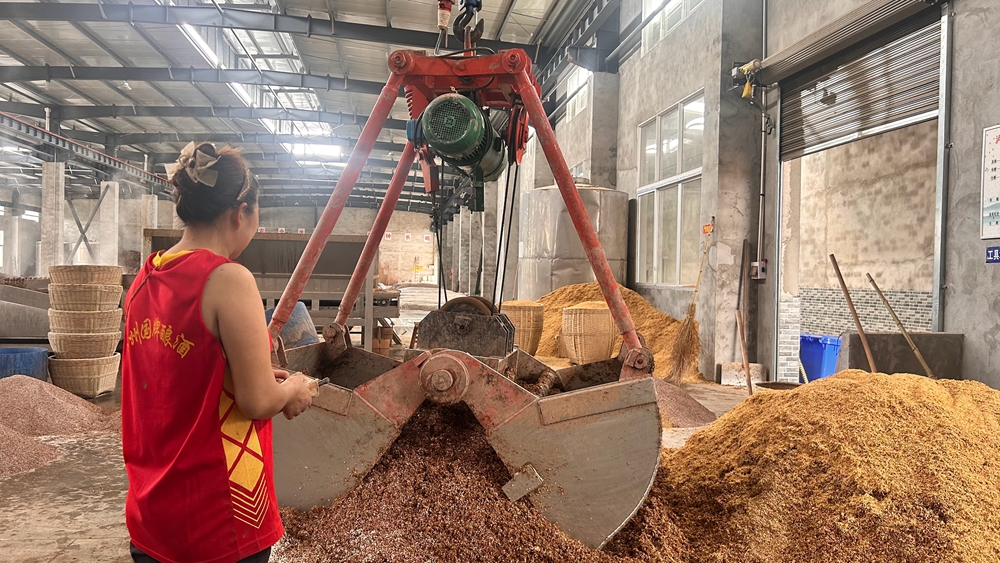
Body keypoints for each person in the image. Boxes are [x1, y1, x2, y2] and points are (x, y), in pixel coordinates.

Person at [121, 142, 314, 563]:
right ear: (240, 212)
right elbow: (257, 401)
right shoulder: (228, 279)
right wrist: (293, 389)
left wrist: (252, 373)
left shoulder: (143, 280)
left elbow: (179, 377)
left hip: (152, 516)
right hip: (219, 521)